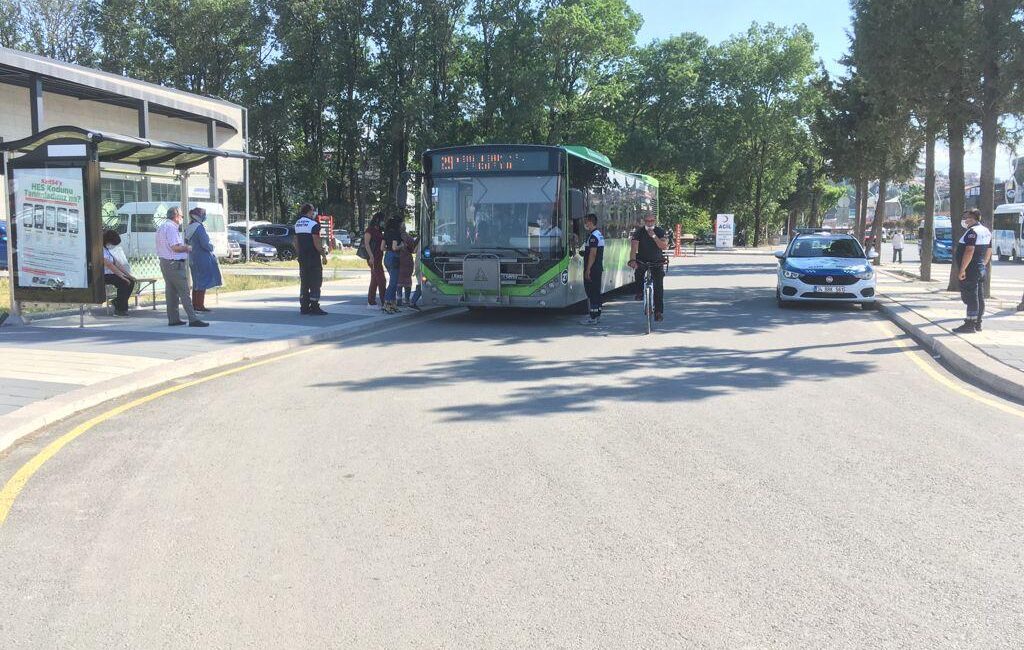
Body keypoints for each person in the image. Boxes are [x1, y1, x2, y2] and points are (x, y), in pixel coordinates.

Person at [156, 207, 208, 327]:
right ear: (176, 216)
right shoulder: (171, 228)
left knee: (171, 292)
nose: (182, 219)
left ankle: (173, 319)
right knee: (184, 291)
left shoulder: (162, 227)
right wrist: (187, 248)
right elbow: (175, 247)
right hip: (174, 263)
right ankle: (193, 319)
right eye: (182, 216)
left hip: (165, 262)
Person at [952, 208, 993, 334]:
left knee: (970, 297)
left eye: (966, 217)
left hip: (970, 269)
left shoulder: (972, 232)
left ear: (972, 218)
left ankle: (970, 324)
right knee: (979, 296)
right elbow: (989, 251)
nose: (964, 220)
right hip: (979, 268)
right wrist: (983, 264)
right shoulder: (986, 231)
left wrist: (962, 269)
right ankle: (977, 323)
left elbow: (969, 251)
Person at [628, 214, 668, 322]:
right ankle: (640, 292)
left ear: (655, 221)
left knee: (658, 285)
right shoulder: (639, 232)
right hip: (642, 260)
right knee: (638, 273)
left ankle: (658, 312)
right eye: (647, 221)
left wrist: (654, 236)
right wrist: (632, 260)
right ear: (644, 221)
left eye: (651, 221)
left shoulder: (659, 231)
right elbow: (633, 248)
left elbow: (663, 246)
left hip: (657, 261)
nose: (649, 223)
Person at [185, 207, 222, 312]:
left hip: (193, 257)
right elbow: (205, 244)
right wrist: (212, 247)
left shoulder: (189, 227)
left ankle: (195, 304)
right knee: (203, 281)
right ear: (199, 216)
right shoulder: (199, 228)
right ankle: (200, 305)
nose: (205, 216)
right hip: (202, 258)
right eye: (204, 215)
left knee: (196, 282)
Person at [293, 203, 328, 315]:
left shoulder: (297, 224)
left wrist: (299, 255)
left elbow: (296, 242)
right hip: (313, 258)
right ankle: (314, 306)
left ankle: (304, 306)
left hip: (302, 258)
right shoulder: (314, 225)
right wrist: (323, 255)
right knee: (316, 282)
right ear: (309, 211)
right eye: (313, 210)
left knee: (304, 282)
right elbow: (317, 243)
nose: (314, 213)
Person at [101, 230, 135, 316]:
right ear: (108, 241)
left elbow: (116, 263)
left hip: (111, 273)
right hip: (103, 275)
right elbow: (109, 265)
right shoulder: (100, 249)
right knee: (124, 282)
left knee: (130, 281)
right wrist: (121, 276)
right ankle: (120, 309)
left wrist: (128, 275)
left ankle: (118, 302)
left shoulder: (106, 249)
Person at [580, 213, 604, 325]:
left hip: (593, 269)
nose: (585, 223)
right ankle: (597, 315)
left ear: (590, 222)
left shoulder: (593, 236)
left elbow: (593, 254)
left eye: (586, 221)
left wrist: (588, 269)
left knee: (592, 292)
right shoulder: (598, 234)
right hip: (598, 268)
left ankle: (593, 317)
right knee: (596, 292)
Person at [364, 212, 386, 309]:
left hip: (379, 257)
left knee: (375, 280)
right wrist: (371, 256)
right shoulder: (370, 230)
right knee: (381, 280)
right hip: (373, 258)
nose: (383, 222)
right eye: (382, 220)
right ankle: (384, 301)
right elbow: (366, 244)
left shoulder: (379, 230)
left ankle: (371, 301)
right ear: (377, 220)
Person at [382, 215, 404, 313]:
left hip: (387, 257)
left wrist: (389, 250)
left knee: (394, 281)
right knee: (393, 283)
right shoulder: (396, 233)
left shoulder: (386, 233)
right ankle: (386, 303)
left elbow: (382, 248)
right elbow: (395, 247)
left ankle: (393, 304)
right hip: (394, 257)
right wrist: (401, 245)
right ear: (398, 224)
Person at [398, 226, 418, 306]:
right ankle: (407, 299)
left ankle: (399, 298)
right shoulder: (409, 238)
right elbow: (412, 249)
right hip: (407, 260)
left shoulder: (396, 236)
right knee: (407, 281)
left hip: (398, 259)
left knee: (398, 281)